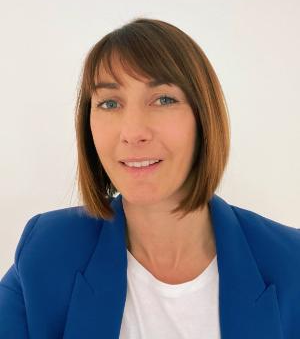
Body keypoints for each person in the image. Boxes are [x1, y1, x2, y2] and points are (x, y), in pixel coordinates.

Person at [0, 18, 299, 339]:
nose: (133, 132)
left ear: (204, 117)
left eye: (163, 99)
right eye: (109, 103)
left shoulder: (290, 262)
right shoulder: (48, 249)